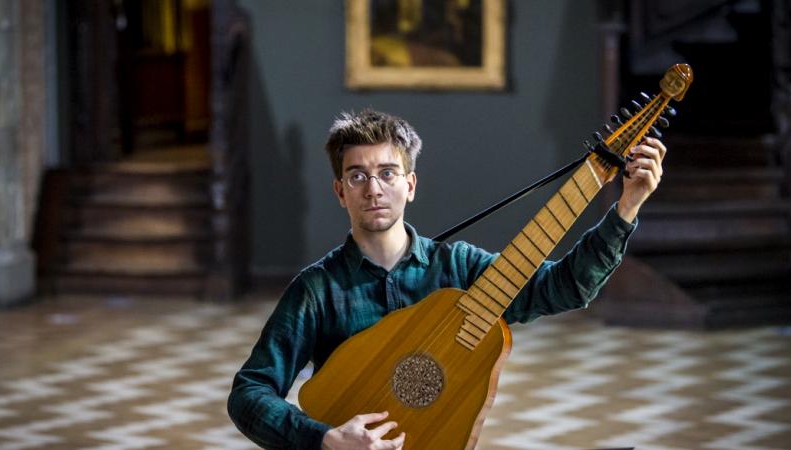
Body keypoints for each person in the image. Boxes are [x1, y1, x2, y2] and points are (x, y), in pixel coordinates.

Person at [228, 109, 667, 449]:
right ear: (340, 191)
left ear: (411, 184)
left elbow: (564, 287)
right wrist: (323, 438)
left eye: (387, 173)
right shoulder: (318, 290)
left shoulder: (458, 268)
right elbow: (249, 392)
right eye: (357, 176)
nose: (373, 189)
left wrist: (626, 206)